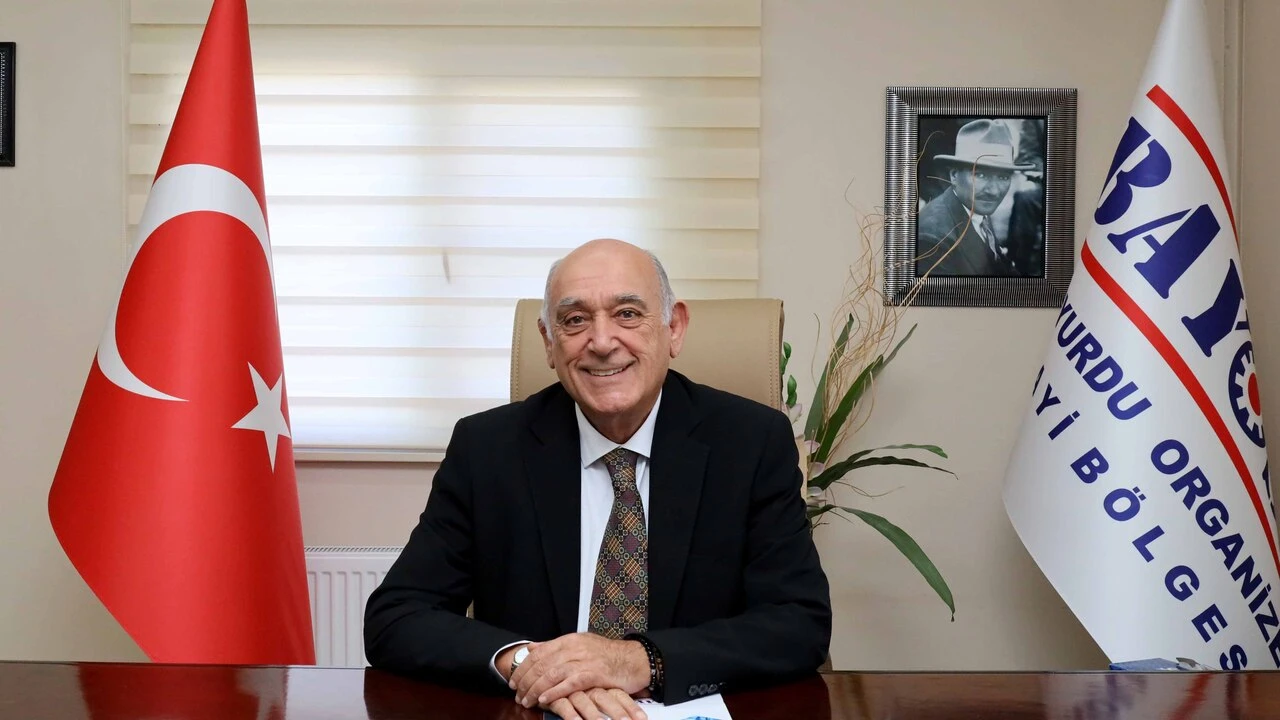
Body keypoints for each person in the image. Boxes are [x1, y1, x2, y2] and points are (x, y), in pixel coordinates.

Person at [364, 239, 832, 720]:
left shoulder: (751, 443)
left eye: (627, 314)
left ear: (674, 328)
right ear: (549, 342)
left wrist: (638, 661)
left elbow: (799, 623)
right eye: (575, 320)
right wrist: (527, 664)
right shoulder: (487, 449)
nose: (603, 342)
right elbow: (395, 617)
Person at [915, 119, 1035, 278]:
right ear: (954, 175)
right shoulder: (933, 240)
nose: (994, 191)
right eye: (981, 175)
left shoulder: (974, 208)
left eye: (1003, 177)